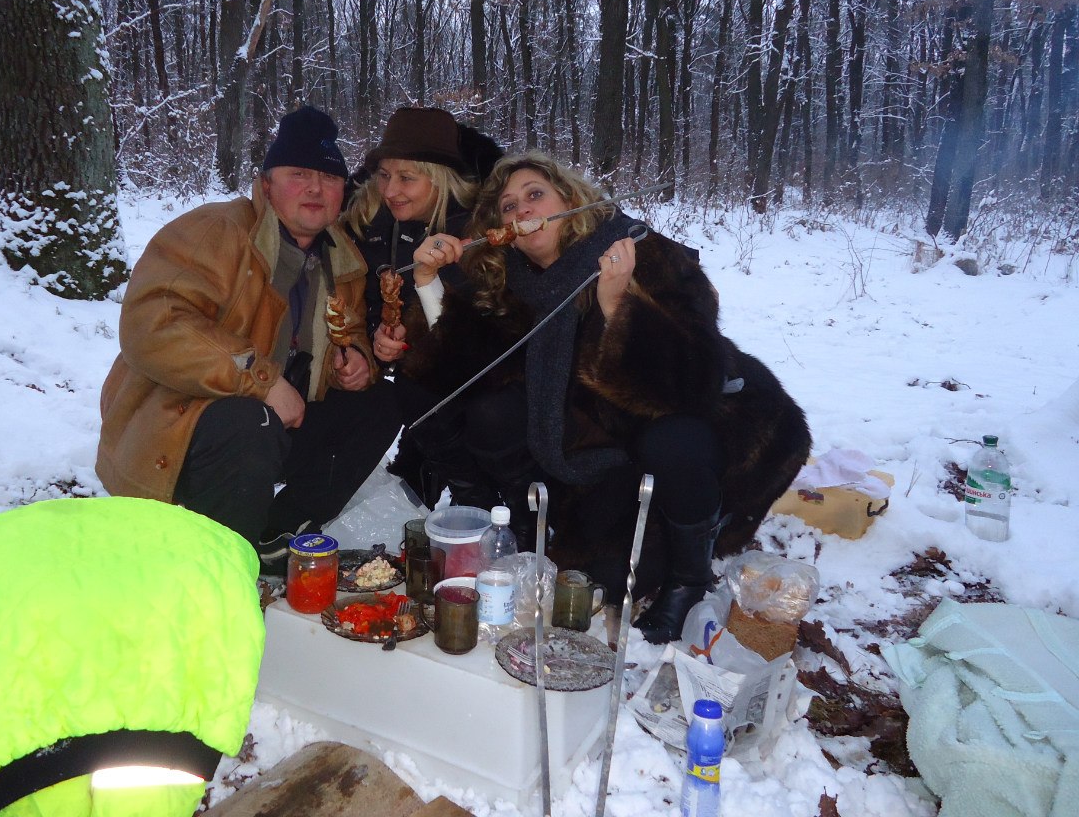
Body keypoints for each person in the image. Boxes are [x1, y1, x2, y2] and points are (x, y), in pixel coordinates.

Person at [400, 151, 811, 644]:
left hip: (714, 428)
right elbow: (465, 370)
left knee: (670, 442)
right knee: (599, 580)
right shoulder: (515, 285)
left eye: (535, 195)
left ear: (569, 200)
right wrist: (427, 281)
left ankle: (690, 575)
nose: (522, 211)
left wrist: (618, 307)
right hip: (606, 457)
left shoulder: (641, 252)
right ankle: (529, 528)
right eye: (508, 207)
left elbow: (694, 380)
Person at [95, 106, 400, 567]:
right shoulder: (216, 230)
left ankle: (279, 532)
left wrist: (355, 358)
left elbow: (349, 327)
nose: (315, 188)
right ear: (266, 184)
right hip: (184, 420)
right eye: (299, 174)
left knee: (381, 403)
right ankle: (219, 566)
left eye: (329, 177)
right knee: (249, 421)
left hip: (281, 419)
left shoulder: (341, 257)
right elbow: (154, 322)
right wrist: (261, 380)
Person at [340, 106, 502, 507]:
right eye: (384, 175)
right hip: (406, 370)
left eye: (407, 178)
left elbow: (477, 325)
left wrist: (411, 332)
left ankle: (474, 497)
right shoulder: (366, 218)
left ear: (440, 176)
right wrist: (378, 334)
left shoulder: (476, 227)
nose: (390, 189)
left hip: (476, 368)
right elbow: (361, 298)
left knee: (419, 387)